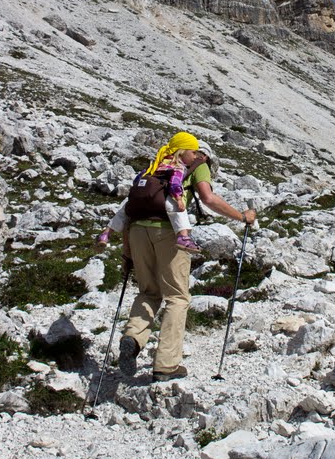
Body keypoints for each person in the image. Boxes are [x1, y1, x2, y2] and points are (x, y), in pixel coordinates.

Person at [118, 134, 256, 383]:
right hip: (168, 232)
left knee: (148, 292)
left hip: (137, 230)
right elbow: (208, 198)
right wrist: (241, 217)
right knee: (177, 297)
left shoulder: (158, 164)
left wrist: (126, 252)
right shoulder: (198, 165)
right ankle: (166, 365)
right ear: (203, 156)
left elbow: (130, 208)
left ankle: (133, 338)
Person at [95, 135, 202, 253]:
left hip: (142, 193)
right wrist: (179, 198)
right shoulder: (178, 166)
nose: (195, 156)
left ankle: (106, 234)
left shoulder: (157, 163)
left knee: (124, 207)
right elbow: (174, 183)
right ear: (182, 151)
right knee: (177, 210)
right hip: (160, 197)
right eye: (193, 152)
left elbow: (138, 179)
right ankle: (183, 237)